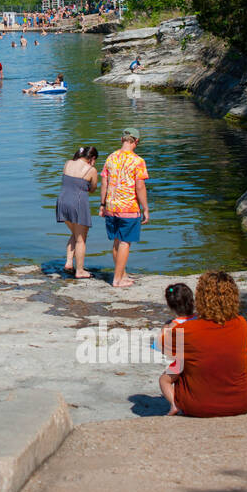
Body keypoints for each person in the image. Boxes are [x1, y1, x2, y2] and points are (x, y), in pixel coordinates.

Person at [158, 271, 247, 417]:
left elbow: (165, 349)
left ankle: (175, 404)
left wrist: (166, 329)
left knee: (181, 365)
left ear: (201, 299)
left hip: (199, 406)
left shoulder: (185, 330)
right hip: (242, 403)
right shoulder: (242, 323)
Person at [99, 127, 149, 288]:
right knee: (125, 243)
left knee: (116, 241)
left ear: (122, 140)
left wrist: (102, 204)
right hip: (129, 207)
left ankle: (122, 274)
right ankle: (117, 279)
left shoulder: (111, 158)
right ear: (137, 141)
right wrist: (145, 208)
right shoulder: (138, 161)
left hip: (111, 206)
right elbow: (140, 186)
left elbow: (104, 183)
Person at [56, 146, 99, 278]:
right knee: (81, 239)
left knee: (75, 233)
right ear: (92, 158)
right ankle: (80, 271)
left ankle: (69, 263)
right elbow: (93, 189)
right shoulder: (92, 170)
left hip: (62, 201)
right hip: (78, 204)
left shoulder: (68, 163)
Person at [156, 282, 197, 391]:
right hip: (200, 359)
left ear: (170, 306)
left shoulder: (172, 325)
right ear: (192, 301)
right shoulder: (200, 318)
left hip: (182, 363)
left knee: (164, 381)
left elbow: (162, 344)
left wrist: (165, 326)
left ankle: (174, 404)